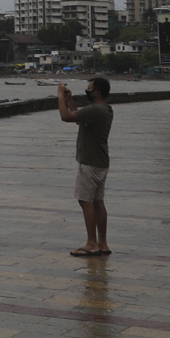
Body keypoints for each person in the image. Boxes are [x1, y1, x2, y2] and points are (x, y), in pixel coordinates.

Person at [58, 77, 113, 257]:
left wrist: (59, 97)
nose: (87, 91)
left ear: (96, 92)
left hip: (90, 162)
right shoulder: (104, 109)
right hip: (100, 162)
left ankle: (91, 243)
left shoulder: (96, 109)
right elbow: (79, 117)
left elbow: (66, 116)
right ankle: (102, 243)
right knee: (97, 202)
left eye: (89, 89)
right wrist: (69, 99)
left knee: (85, 201)